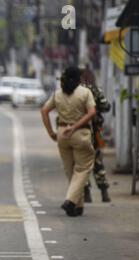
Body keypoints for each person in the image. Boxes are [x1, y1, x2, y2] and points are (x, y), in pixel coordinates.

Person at [41, 66, 97, 217]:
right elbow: (92, 112)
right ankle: (70, 201)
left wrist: (51, 132)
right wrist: (74, 127)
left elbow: (44, 111)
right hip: (81, 134)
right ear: (79, 78)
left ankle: (77, 207)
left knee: (70, 170)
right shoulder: (85, 92)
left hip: (62, 134)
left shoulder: (58, 94)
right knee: (83, 169)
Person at [80, 68, 111, 203]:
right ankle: (104, 192)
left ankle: (86, 193)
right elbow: (106, 106)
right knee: (97, 161)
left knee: (82, 163)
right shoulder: (96, 90)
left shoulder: (77, 92)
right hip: (95, 130)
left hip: (80, 131)